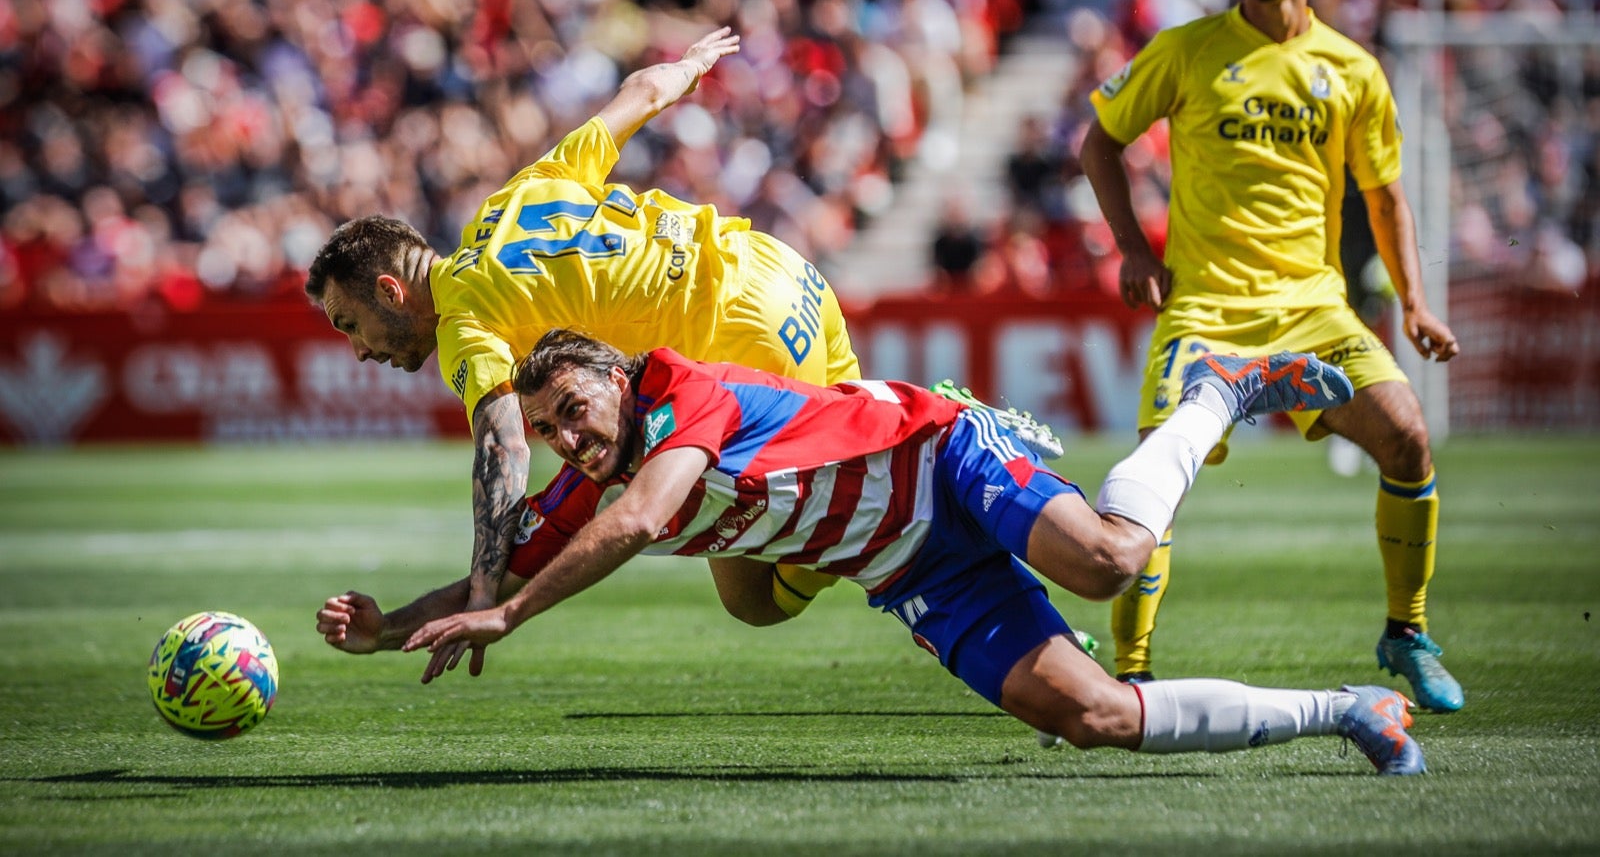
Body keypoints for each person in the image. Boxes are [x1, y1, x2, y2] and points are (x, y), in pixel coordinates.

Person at [304, 26, 1058, 674]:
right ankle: (968, 461)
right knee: (871, 463)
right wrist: (693, 66)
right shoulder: (518, 195)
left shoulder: (464, 322)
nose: (359, 350)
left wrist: (481, 586)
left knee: (760, 594)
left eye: (348, 323)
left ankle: (975, 503)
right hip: (782, 273)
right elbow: (639, 93)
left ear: (392, 289)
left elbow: (504, 442)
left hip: (739, 347)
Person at [377, 328, 1426, 776]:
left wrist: (509, 617)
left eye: (572, 410)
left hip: (935, 455)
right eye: (551, 432)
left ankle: (1218, 391)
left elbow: (644, 520)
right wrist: (391, 626)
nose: (567, 439)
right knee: (1093, 714)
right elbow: (499, 572)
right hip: (909, 568)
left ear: (613, 378)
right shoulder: (589, 484)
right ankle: (1348, 710)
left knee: (1107, 561)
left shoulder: (678, 392)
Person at [1078, 0, 1464, 712]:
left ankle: (1407, 630)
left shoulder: (1350, 69)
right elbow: (1099, 142)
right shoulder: (1186, 50)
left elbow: (1386, 196)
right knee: (1153, 485)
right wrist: (1136, 251)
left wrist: (1416, 305)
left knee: (1407, 438)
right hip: (1205, 307)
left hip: (1313, 309)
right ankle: (1132, 673)